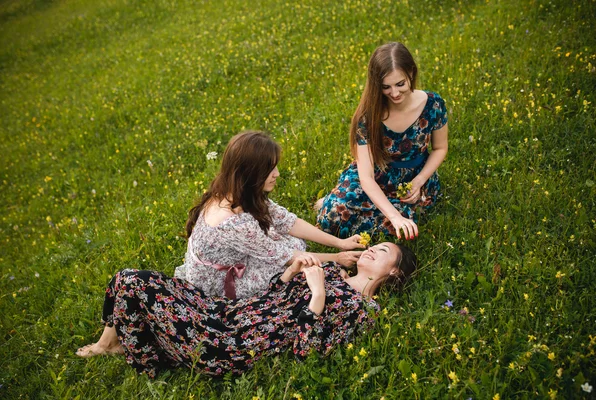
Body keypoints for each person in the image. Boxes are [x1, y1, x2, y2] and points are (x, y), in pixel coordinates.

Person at [75, 243, 417, 378]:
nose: (372, 250)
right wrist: (291, 271)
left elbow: (306, 352)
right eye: (374, 245)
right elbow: (272, 295)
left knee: (134, 287)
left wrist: (318, 295)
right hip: (227, 313)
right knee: (131, 278)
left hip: (233, 345)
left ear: (394, 272)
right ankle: (121, 343)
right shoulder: (331, 270)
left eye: (383, 251)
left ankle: (125, 346)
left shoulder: (362, 309)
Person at [175, 131, 364, 300]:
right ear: (250, 173)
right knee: (293, 253)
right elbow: (286, 256)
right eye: (270, 170)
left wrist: (341, 242)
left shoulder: (235, 191)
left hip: (233, 255)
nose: (277, 174)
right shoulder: (234, 223)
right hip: (218, 283)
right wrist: (337, 258)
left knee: (289, 238)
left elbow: (287, 221)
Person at [316, 42, 449, 240]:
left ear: (411, 73)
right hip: (376, 176)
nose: (394, 93)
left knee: (402, 227)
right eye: (386, 87)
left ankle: (368, 210)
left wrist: (420, 181)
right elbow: (367, 178)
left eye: (400, 84)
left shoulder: (433, 104)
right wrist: (394, 216)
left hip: (414, 178)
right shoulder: (368, 116)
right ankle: (334, 202)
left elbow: (440, 148)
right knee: (331, 218)